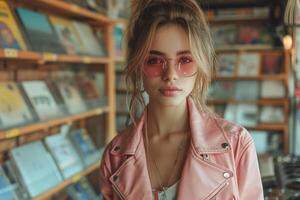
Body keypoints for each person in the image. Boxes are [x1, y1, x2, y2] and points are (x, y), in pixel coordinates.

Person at [100, 0, 264, 199]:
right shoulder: (115, 155)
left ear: (201, 64)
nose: (170, 75)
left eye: (185, 60)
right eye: (154, 60)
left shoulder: (237, 143)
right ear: (137, 66)